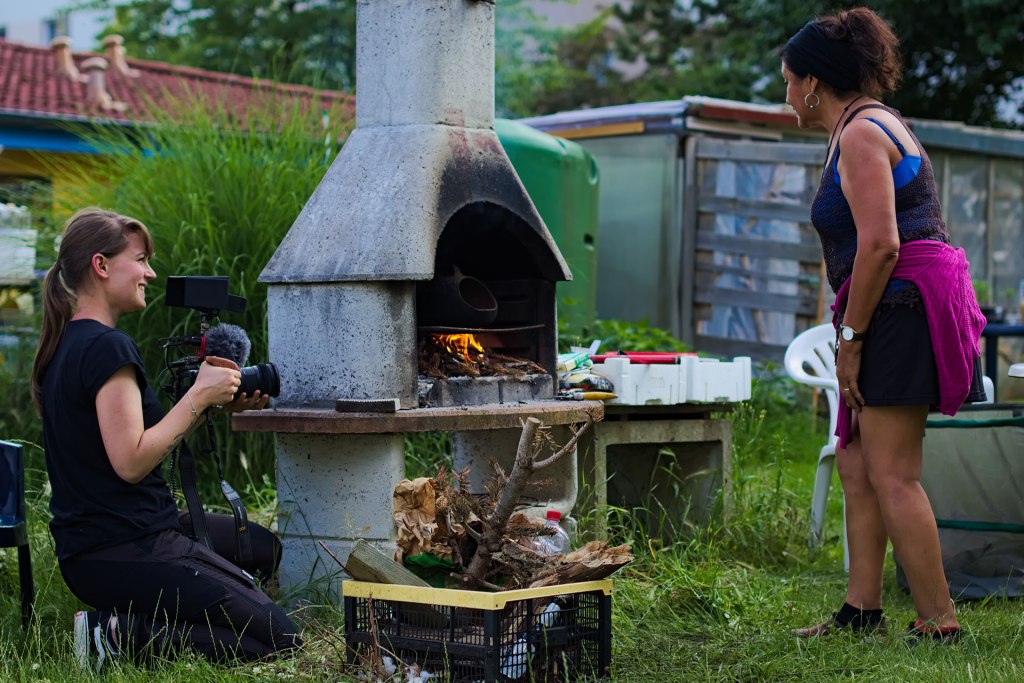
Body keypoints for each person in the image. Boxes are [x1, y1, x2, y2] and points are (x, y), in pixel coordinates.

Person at [780, 8, 986, 643]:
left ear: (812, 82)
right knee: (855, 460)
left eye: (787, 80)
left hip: (900, 310)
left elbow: (881, 246)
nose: (785, 94)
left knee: (894, 472)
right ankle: (861, 611)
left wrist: (850, 339)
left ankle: (941, 623)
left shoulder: (863, 134)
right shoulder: (863, 125)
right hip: (891, 306)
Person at [30, 208, 302, 669]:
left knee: (263, 548)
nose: (150, 273)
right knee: (282, 639)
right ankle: (115, 635)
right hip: (123, 546)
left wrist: (210, 403)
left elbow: (135, 442)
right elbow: (131, 461)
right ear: (101, 265)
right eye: (140, 260)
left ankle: (160, 614)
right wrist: (197, 397)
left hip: (103, 542)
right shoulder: (106, 347)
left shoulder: (67, 343)